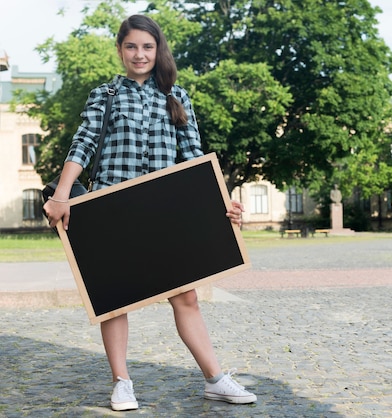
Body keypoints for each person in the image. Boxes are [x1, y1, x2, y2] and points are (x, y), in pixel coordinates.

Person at [42, 14, 257, 411]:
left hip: (164, 212)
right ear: (121, 50)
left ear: (158, 50)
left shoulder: (177, 96)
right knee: (114, 298)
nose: (139, 54)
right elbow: (83, 144)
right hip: (112, 207)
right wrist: (63, 195)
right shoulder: (104, 95)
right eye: (131, 46)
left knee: (186, 297)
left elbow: (194, 157)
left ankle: (215, 379)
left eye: (147, 46)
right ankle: (121, 382)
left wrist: (221, 204)